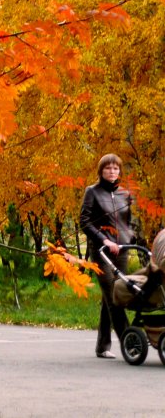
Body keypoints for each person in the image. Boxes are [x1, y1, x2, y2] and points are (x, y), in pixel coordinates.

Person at [80, 153, 135, 359]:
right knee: (115, 294)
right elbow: (85, 221)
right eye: (108, 168)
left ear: (119, 171)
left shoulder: (124, 194)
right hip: (102, 251)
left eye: (116, 168)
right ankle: (130, 343)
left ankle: (102, 346)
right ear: (101, 171)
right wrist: (105, 240)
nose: (112, 171)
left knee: (109, 296)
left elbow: (129, 223)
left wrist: (130, 239)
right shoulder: (92, 192)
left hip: (122, 251)